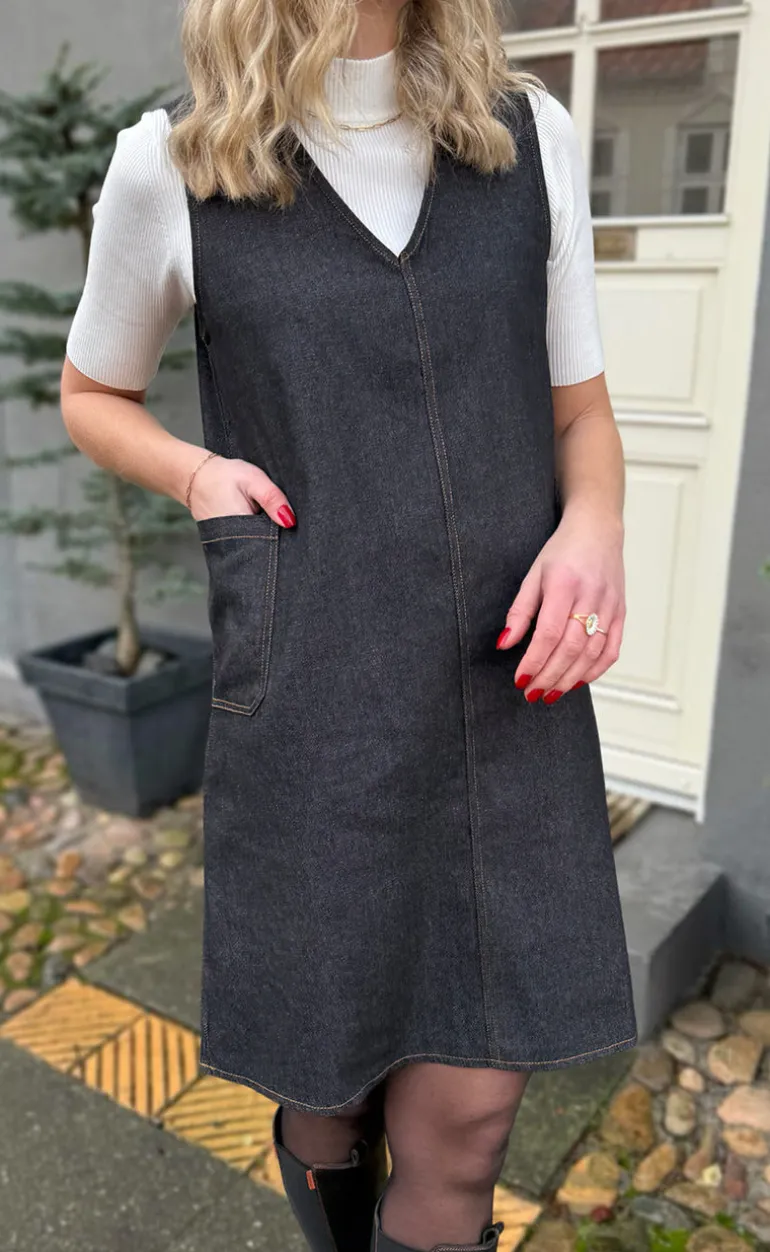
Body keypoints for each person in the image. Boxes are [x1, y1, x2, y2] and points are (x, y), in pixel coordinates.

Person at [60, 1, 638, 1249]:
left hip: (504, 696)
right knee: (330, 1092)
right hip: (317, 691)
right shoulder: (173, 162)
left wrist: (593, 526)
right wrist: (195, 473)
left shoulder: (524, 135)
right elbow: (92, 392)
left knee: (470, 1119)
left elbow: (580, 414)